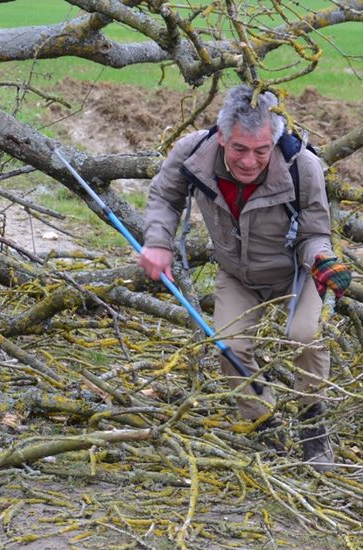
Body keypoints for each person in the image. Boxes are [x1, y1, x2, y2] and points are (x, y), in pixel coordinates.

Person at [139, 84, 351, 472]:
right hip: (237, 274)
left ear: (275, 140)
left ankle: (313, 430)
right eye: (239, 149)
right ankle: (265, 427)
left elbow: (315, 233)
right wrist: (158, 243)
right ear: (222, 136)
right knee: (230, 347)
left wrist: (322, 259)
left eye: (260, 150)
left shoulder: (303, 166)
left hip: (297, 272)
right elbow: (164, 198)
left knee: (306, 336)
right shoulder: (193, 153)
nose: (249, 161)